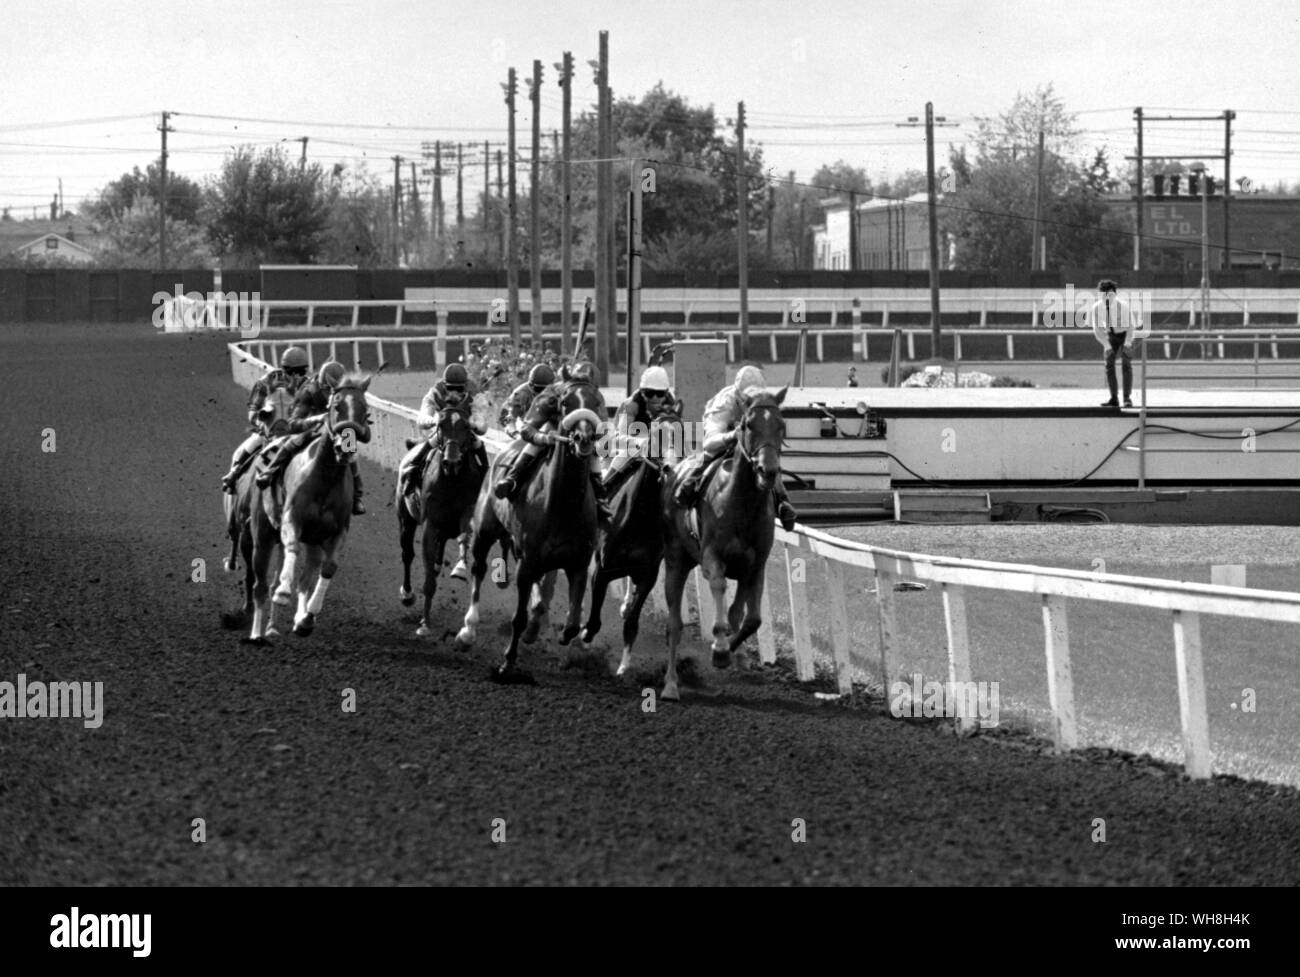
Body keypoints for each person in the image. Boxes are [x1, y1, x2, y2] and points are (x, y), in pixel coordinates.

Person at [672, 363, 798, 532]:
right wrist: (733, 436)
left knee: (768, 459)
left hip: (748, 444)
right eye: (748, 397)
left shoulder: (763, 400)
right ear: (739, 395)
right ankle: (689, 484)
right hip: (723, 439)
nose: (753, 399)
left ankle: (782, 501)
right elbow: (709, 442)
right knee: (708, 454)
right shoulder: (725, 402)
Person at [492, 359, 611, 521]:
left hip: (581, 435)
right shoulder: (552, 393)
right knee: (544, 431)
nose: (588, 391)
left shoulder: (597, 397)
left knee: (593, 452)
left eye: (591, 388)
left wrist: (599, 440)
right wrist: (544, 438)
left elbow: (603, 427)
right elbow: (527, 428)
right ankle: (513, 478)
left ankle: (600, 495)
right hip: (553, 431)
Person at [255, 358, 367, 515]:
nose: (331, 393)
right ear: (322, 385)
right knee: (290, 443)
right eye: (328, 389)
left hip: (336, 431)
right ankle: (269, 471)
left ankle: (357, 497)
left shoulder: (344, 393)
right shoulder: (309, 391)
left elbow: (360, 430)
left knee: (352, 452)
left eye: (334, 389)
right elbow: (293, 423)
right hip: (311, 429)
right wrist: (317, 420)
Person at [220, 346, 310, 492]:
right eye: (292, 371)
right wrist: (261, 421)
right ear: (284, 369)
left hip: (298, 431)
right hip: (271, 430)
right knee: (251, 443)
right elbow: (253, 410)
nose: (297, 376)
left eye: (301, 371)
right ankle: (234, 473)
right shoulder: (267, 381)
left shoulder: (309, 386)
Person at [397, 362, 490, 500]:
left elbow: (482, 424)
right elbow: (423, 416)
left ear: (465, 386)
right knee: (430, 444)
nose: (454, 392)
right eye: (450, 388)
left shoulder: (476, 394)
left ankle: (487, 481)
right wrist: (433, 421)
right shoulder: (436, 391)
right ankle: (411, 474)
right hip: (443, 432)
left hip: (464, 433)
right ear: (445, 384)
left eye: (458, 389)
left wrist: (474, 424)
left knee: (478, 444)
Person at [603, 365, 681, 486]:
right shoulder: (631, 405)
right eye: (650, 393)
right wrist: (640, 442)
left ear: (666, 393)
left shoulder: (671, 403)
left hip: (658, 447)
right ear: (642, 392)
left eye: (659, 393)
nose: (655, 398)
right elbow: (617, 439)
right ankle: (604, 490)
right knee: (624, 456)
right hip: (631, 446)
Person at [1089, 279, 1141, 408]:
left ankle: (1127, 398)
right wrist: (1106, 346)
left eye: (1110, 294)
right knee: (1109, 364)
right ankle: (1114, 397)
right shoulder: (1096, 308)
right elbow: (1097, 329)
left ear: (1115, 294)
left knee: (1126, 364)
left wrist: (1128, 343)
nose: (1107, 298)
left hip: (1125, 334)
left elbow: (1130, 326)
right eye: (1103, 295)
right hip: (1110, 335)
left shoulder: (1123, 306)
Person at [500, 363, 556, 437]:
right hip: (528, 428)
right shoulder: (520, 394)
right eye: (538, 389)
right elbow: (508, 418)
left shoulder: (556, 391)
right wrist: (515, 434)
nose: (542, 392)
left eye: (545, 389)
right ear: (531, 385)